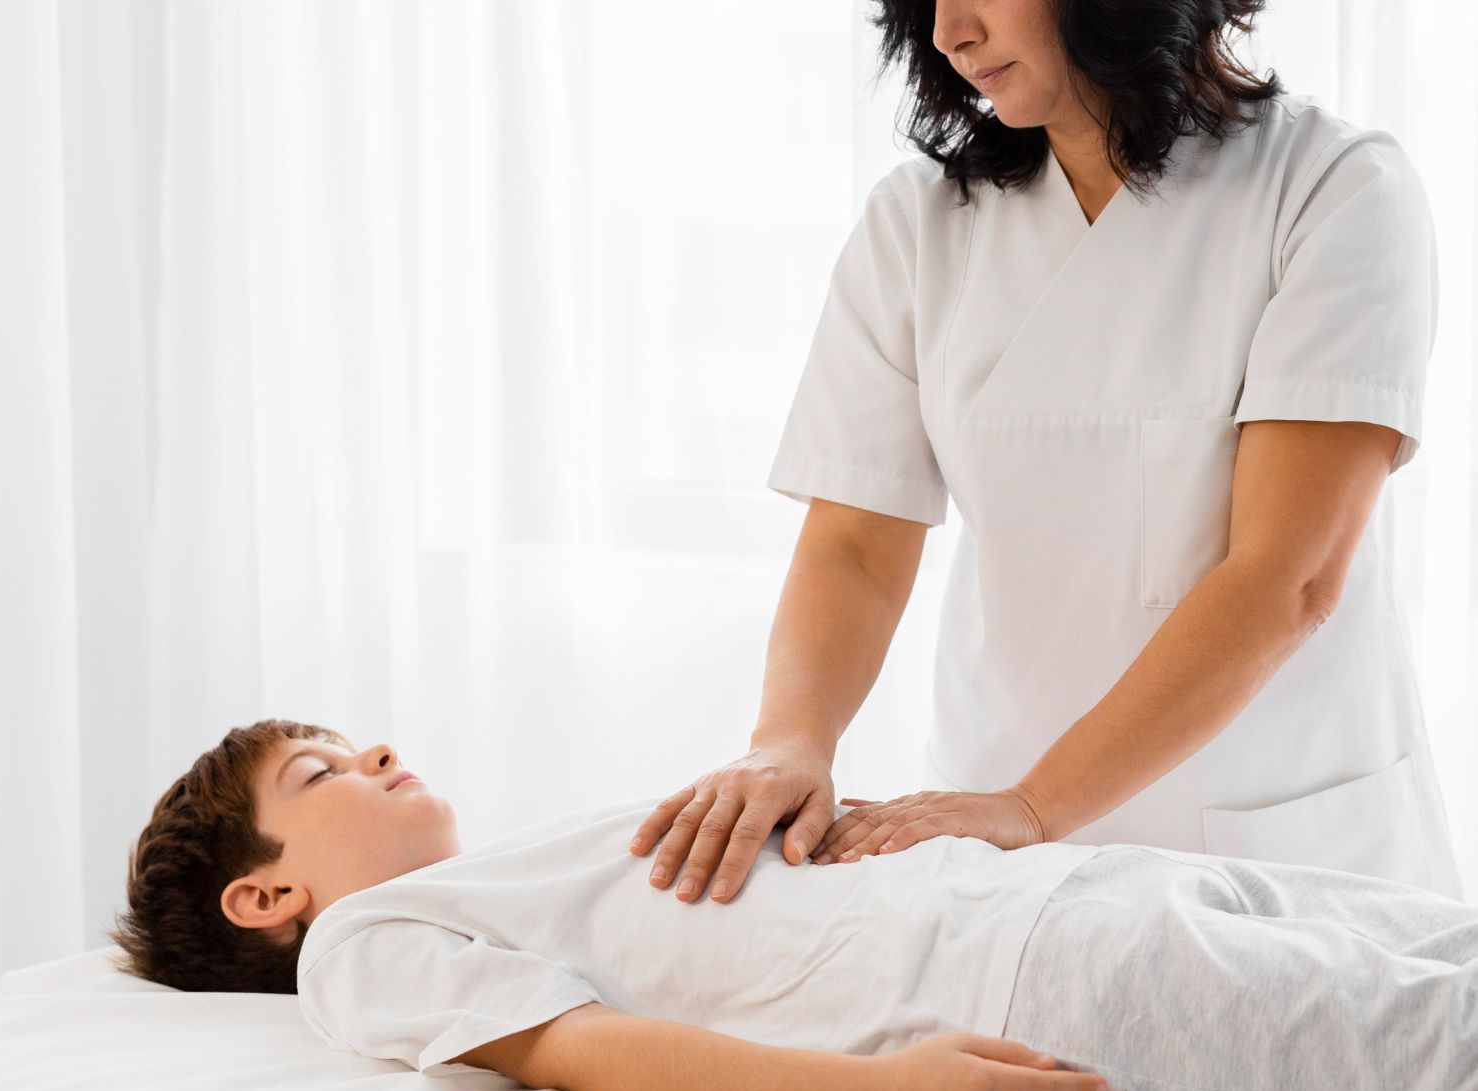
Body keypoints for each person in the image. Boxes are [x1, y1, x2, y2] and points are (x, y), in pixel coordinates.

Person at [627, 0, 1466, 911]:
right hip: (992, 846)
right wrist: (792, 739)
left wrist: (1034, 805)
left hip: (1278, 853)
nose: (950, 33)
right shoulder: (918, 222)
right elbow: (855, 544)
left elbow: (1285, 579)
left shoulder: (1332, 189)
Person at [111, 722, 1478, 1091]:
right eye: (323, 772)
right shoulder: (365, 950)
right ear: (262, 898)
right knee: (1432, 1055)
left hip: (1066, 889)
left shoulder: (513, 872)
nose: (379, 751)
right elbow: (595, 1057)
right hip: (1047, 977)